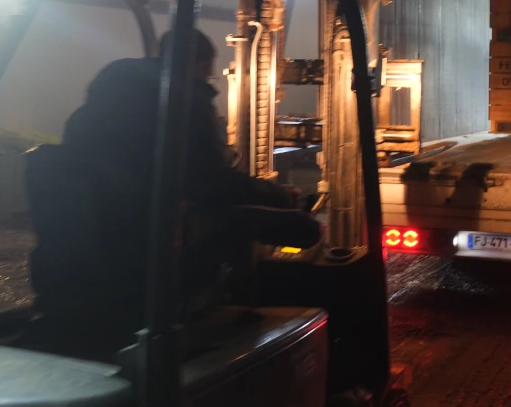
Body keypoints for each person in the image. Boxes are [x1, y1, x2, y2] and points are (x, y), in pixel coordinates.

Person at [56, 30, 320, 326]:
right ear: (198, 65)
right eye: (208, 76)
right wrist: (280, 196)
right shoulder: (185, 105)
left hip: (109, 233)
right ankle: (238, 306)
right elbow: (214, 186)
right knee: (303, 230)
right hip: (160, 236)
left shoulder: (88, 114)